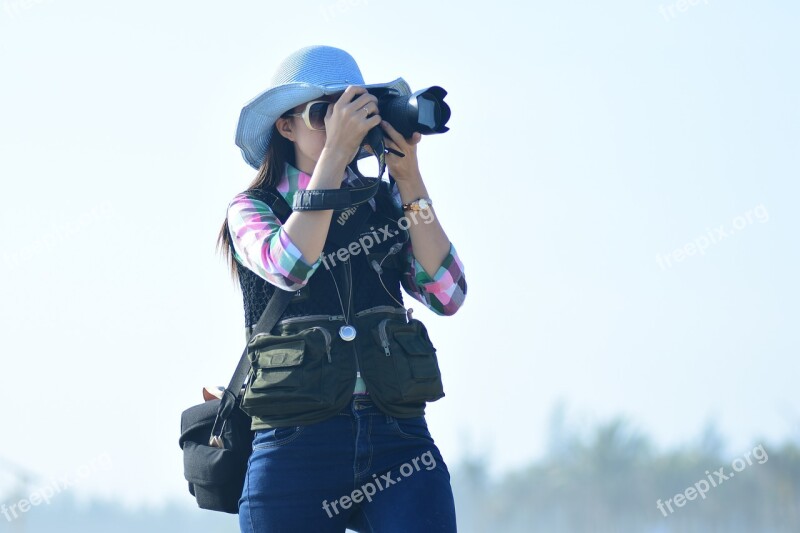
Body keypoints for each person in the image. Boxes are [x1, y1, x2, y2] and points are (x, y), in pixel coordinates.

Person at [217, 45, 467, 533]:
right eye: (323, 114)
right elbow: (290, 266)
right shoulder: (252, 207)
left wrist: (410, 178)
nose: (341, 127)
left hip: (396, 435)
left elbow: (447, 293)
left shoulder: (388, 199)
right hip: (294, 441)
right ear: (284, 127)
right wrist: (332, 159)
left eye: (352, 108)